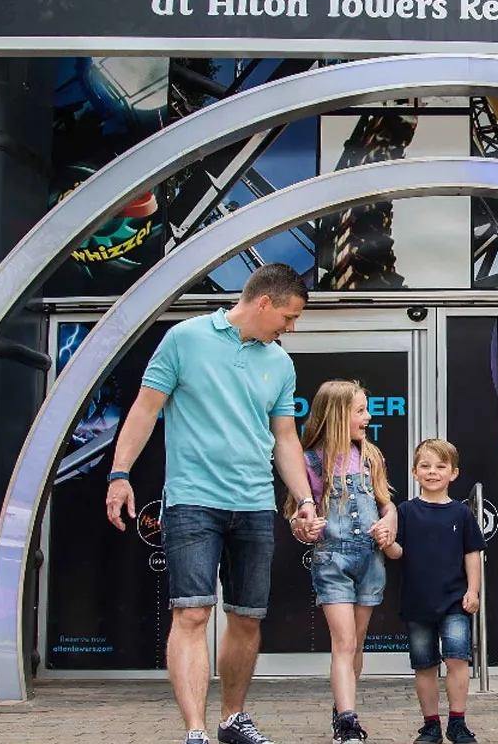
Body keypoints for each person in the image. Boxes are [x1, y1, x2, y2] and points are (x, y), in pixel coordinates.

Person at [105, 264, 372, 744]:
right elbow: (145, 410)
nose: (291, 328)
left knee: (247, 617)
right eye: (289, 317)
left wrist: (305, 500)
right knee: (191, 612)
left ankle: (232, 718)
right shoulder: (184, 340)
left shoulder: (281, 363)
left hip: (253, 503)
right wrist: (120, 474)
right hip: (192, 500)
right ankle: (196, 731)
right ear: (264, 303)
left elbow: (286, 439)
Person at [288, 379, 396, 744]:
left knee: (358, 642)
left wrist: (388, 522)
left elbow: (386, 503)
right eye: (360, 410)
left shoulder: (371, 455)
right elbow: (296, 516)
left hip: (370, 559)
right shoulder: (310, 460)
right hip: (332, 560)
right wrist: (305, 527)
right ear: (337, 415)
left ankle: (343, 704)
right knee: (344, 642)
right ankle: (347, 722)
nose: (368, 416)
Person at [389, 439, 485, 744]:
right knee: (424, 665)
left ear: (453, 473)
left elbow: (473, 554)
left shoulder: (462, 514)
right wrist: (386, 542)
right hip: (417, 602)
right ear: (415, 472)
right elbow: (396, 552)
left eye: (441, 466)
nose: (433, 472)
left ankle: (457, 722)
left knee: (457, 659)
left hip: (455, 601)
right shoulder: (404, 511)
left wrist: (473, 590)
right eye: (426, 466)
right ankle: (431, 725)